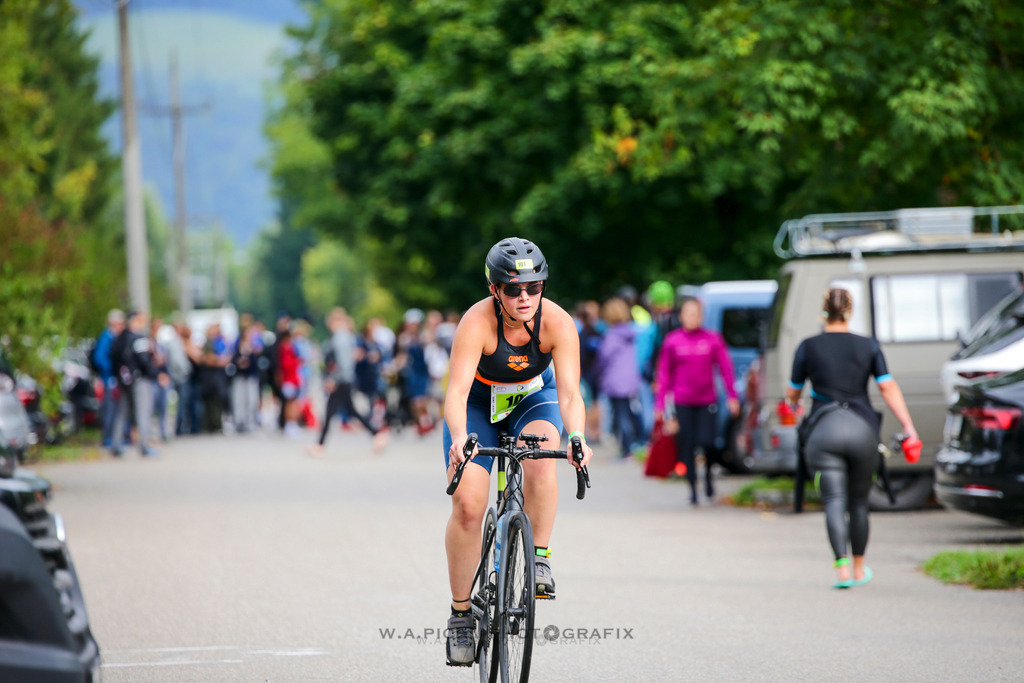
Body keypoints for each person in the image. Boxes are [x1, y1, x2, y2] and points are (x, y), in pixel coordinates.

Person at [442, 237, 593, 666]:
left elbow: (569, 394)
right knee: (469, 504)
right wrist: (458, 436)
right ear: (495, 290)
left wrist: (578, 436)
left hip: (532, 400)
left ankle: (539, 557)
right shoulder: (476, 323)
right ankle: (459, 615)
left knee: (545, 455)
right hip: (478, 407)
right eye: (513, 289)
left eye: (534, 286)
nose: (525, 297)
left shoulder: (558, 323)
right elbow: (454, 393)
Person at [786, 288, 919, 588]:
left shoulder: (808, 346)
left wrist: (793, 403)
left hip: (824, 429)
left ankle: (841, 568)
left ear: (823, 312)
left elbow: (793, 392)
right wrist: (908, 426)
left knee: (833, 499)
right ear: (850, 311)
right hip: (862, 429)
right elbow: (887, 387)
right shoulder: (868, 345)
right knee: (858, 503)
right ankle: (860, 569)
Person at [655, 296, 739, 505]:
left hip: (707, 400)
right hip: (683, 402)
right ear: (681, 316)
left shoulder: (712, 339)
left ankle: (709, 476)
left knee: (708, 443)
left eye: (696, 313)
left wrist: (732, 396)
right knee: (688, 445)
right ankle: (693, 488)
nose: (693, 317)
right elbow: (664, 374)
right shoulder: (672, 341)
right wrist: (660, 406)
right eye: (689, 313)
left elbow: (726, 369)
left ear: (702, 316)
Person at [308, 308, 388, 457]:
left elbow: (344, 362)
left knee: (331, 411)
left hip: (341, 380)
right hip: (344, 379)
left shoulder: (340, 337)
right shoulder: (345, 336)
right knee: (350, 411)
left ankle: (319, 445)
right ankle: (377, 434)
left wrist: (334, 379)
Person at [593, 297, 644, 459]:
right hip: (630, 380)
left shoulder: (611, 335)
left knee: (621, 415)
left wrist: (598, 373)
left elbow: (603, 357)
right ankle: (635, 444)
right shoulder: (630, 333)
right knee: (629, 413)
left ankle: (626, 449)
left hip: (615, 381)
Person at [110, 310, 164, 457]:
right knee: (143, 412)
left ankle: (115, 445)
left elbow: (113, 358)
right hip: (140, 380)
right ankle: (145, 446)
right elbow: (144, 361)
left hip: (123, 381)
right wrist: (157, 373)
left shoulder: (119, 338)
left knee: (121, 412)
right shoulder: (138, 338)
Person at [94, 309, 125, 451]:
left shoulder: (114, 337)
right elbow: (99, 358)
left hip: (114, 379)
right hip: (108, 379)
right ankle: (107, 439)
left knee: (115, 409)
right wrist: (111, 371)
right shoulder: (106, 337)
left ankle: (114, 437)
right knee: (109, 409)